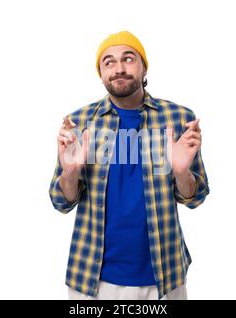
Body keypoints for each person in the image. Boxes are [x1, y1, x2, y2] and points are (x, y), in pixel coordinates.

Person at [49, 30, 210, 300]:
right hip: (93, 279)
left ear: (144, 66)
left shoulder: (179, 117)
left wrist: (182, 174)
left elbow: (195, 198)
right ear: (100, 73)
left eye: (128, 58)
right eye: (108, 62)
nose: (119, 68)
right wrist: (70, 173)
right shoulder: (79, 121)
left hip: (164, 276)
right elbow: (61, 202)